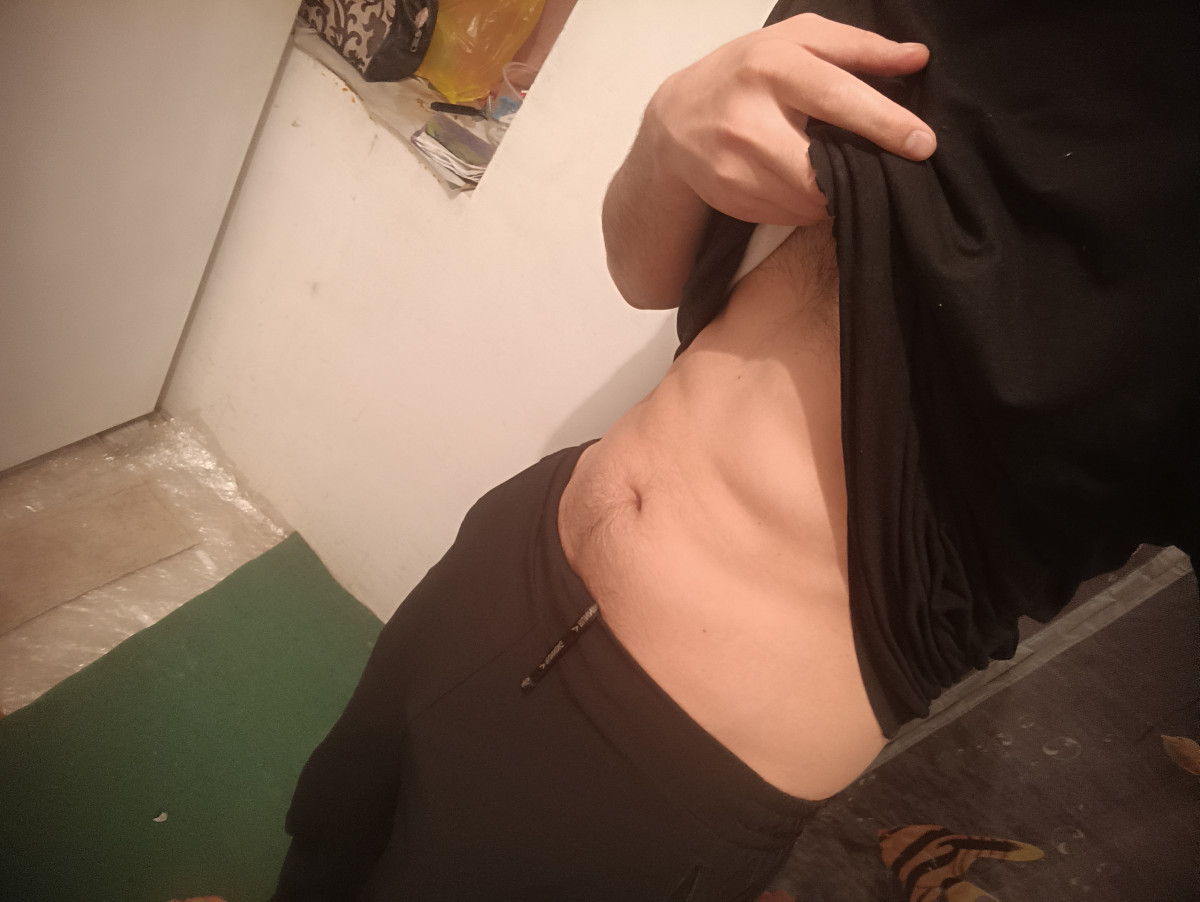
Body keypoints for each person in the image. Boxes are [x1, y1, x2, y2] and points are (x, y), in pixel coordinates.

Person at [274, 2, 1197, 899]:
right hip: (516, 542)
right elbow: (645, 274)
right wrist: (668, 126)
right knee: (321, 843)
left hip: (654, 763)